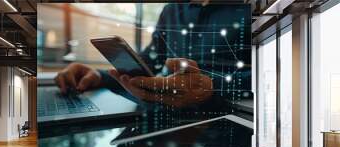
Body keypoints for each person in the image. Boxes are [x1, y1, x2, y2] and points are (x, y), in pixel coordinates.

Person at [55, 3, 251, 109]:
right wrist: (98, 76)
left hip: (230, 117)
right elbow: (147, 63)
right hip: (168, 119)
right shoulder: (171, 10)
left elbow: (268, 75)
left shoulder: (248, 9)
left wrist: (213, 86)